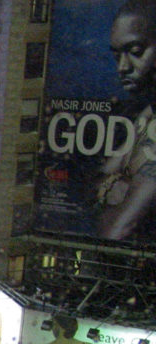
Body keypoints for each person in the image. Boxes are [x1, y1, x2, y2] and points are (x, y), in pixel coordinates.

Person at [97, 0, 156, 241]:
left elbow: (116, 231)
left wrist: (116, 185)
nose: (122, 67)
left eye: (135, 52)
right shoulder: (148, 113)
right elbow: (95, 183)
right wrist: (112, 184)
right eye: (116, 55)